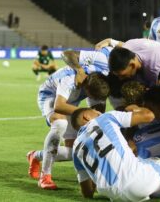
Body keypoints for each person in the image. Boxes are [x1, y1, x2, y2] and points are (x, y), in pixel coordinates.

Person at [70, 107, 160, 201]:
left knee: (151, 179)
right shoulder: (105, 118)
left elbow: (87, 192)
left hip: (113, 196)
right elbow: (149, 115)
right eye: (94, 111)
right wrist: (136, 108)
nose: (98, 111)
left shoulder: (76, 147)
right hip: (135, 180)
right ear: (86, 117)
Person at [26, 57, 110, 190]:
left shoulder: (100, 79)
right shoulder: (70, 79)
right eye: (92, 97)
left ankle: (36, 155)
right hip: (51, 97)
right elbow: (59, 106)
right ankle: (45, 176)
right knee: (60, 123)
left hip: (71, 102)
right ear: (87, 89)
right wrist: (87, 111)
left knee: (74, 152)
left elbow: (97, 113)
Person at [95, 38, 160, 88]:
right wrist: (109, 41)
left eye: (122, 75)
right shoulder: (128, 46)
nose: (120, 78)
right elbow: (121, 45)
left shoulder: (158, 66)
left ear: (132, 65)